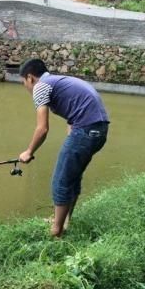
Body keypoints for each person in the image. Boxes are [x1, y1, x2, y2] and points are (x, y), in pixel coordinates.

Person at [18, 59, 109, 237]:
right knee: (72, 178)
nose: (25, 86)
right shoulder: (57, 81)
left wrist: (28, 152)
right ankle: (64, 222)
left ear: (30, 77)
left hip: (86, 130)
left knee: (60, 181)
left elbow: (42, 128)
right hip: (99, 130)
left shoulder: (41, 87)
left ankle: (56, 231)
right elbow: (74, 111)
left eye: (23, 81)